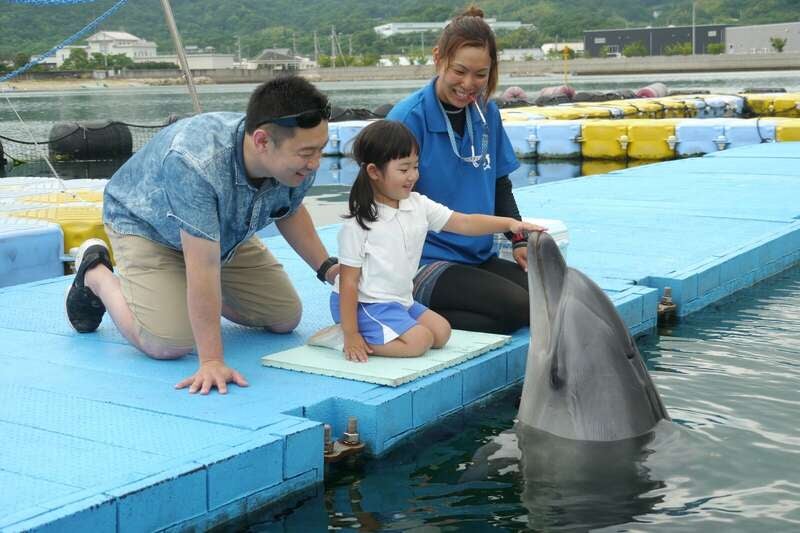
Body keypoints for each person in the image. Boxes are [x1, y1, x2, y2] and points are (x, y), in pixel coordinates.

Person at [64, 75, 341, 395]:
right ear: (262, 141)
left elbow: (289, 210)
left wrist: (329, 269)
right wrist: (211, 361)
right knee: (167, 343)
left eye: (321, 149)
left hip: (220, 232)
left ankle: (175, 291)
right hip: (147, 228)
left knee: (284, 318)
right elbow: (204, 267)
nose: (315, 162)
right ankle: (96, 274)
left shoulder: (296, 160)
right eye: (308, 152)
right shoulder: (196, 162)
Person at [310, 120, 544, 362]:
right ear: (374, 172)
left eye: (415, 166)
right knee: (419, 342)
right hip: (365, 304)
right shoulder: (359, 224)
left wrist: (509, 224)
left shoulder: (418, 204)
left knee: (441, 333)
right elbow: (348, 283)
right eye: (403, 170)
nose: (412, 176)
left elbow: (464, 222)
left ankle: (379, 331)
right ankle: (340, 338)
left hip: (399, 299)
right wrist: (351, 334)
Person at [387, 6, 532, 334]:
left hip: (475, 254)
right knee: (517, 309)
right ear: (438, 58)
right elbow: (381, 202)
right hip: (423, 261)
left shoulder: (486, 112)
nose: (469, 84)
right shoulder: (408, 119)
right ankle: (409, 312)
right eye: (459, 71)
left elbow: (499, 183)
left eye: (481, 75)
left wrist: (519, 240)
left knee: (549, 294)